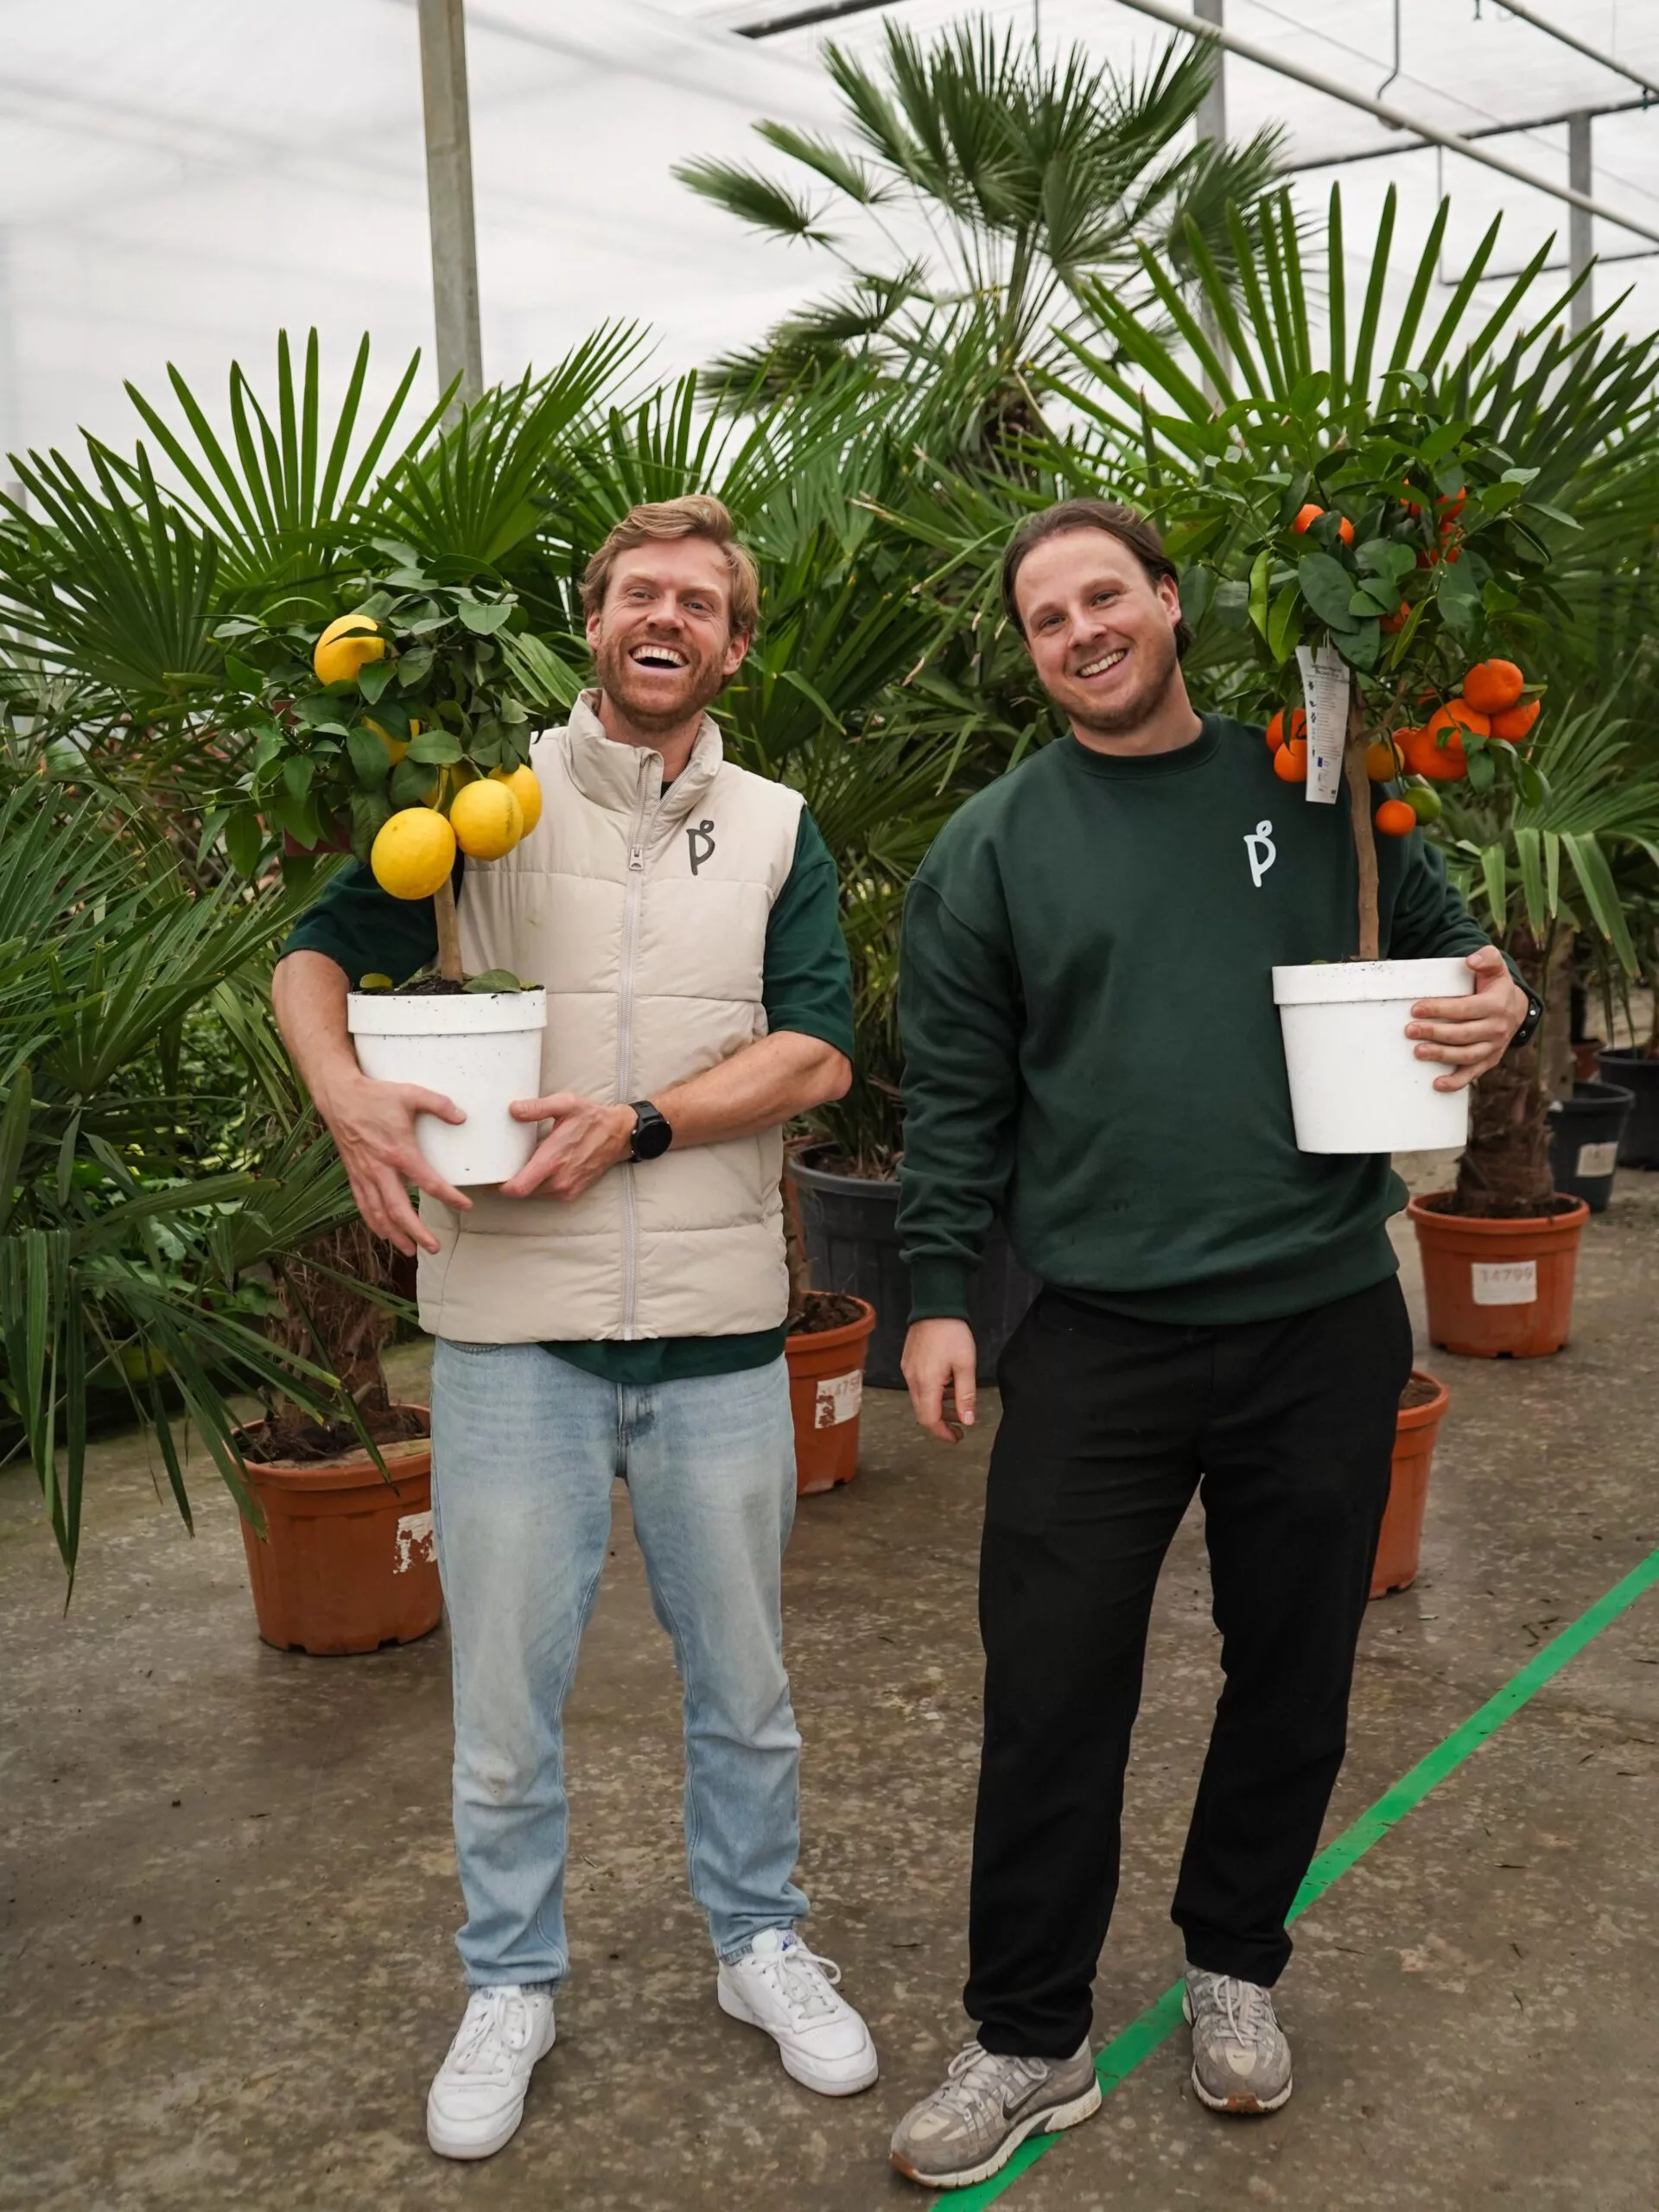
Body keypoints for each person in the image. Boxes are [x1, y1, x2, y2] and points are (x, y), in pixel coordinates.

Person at [886, 499, 1535, 2191]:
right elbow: (952, 1099)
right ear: (1031, 653)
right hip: (1094, 1331)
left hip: (1317, 1312)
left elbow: (1454, 945)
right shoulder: (992, 849)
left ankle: (1235, 1962)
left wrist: (1499, 999)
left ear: (1171, 603)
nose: (1081, 630)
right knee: (1050, 1686)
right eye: (1047, 617)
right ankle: (1029, 2035)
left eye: (1106, 594)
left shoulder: (1313, 783)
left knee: (1294, 1667)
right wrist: (939, 1292)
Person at [273, 495, 878, 2163]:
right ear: (593, 622)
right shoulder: (482, 802)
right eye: (638, 594)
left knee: (745, 1690)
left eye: (700, 601)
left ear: (734, 647)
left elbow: (819, 1047)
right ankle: (509, 1982)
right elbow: (316, 957)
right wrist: (344, 1097)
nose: (665, 617)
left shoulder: (778, 829)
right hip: (510, 1338)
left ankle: (759, 1941)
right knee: (501, 1709)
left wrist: (646, 1119)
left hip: (716, 1333)